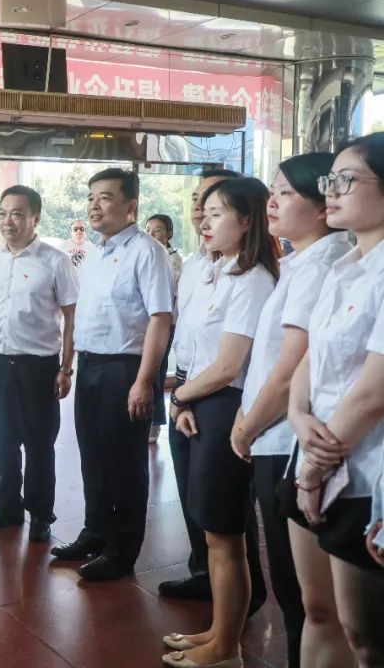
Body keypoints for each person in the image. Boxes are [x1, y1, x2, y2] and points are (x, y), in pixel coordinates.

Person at [228, 153, 348, 668]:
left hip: (284, 439)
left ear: (323, 206)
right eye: (272, 192)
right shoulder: (303, 261)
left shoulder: (320, 265)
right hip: (274, 433)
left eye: (286, 193)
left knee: (304, 594)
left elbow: (290, 367)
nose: (272, 203)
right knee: (296, 590)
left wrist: (247, 426)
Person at [161, 177, 278, 668]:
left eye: (216, 213)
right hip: (196, 400)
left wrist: (179, 396)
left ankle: (227, 648)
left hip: (226, 406)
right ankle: (216, 631)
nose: (204, 221)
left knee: (225, 533)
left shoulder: (253, 280)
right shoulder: (208, 270)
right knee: (211, 530)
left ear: (247, 220)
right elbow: (192, 350)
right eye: (203, 212)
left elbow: (230, 365)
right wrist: (184, 398)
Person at [287, 133, 384, 665]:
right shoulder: (345, 266)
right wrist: (297, 413)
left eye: (347, 180)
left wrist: (313, 471)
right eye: (331, 180)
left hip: (365, 475)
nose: (332, 190)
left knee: (366, 636)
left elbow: (372, 393)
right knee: (324, 612)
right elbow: (311, 356)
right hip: (317, 456)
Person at [50, 168, 174, 581]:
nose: (94, 206)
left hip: (125, 368)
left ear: (130, 206)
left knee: (124, 463)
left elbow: (160, 318)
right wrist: (69, 365)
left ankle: (122, 550)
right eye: (91, 198)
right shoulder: (95, 253)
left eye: (104, 197)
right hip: (90, 365)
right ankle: (95, 532)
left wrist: (144, 380)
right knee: (93, 456)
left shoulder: (147, 252)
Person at [0, 186, 77, 542]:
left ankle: (40, 514)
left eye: (17, 213)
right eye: (3, 213)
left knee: (38, 444)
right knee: (3, 440)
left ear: (36, 218)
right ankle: (7, 507)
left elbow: (71, 317)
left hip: (38, 367)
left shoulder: (55, 261)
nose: (8, 221)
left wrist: (66, 367)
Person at [145, 213, 183, 444]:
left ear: (169, 233)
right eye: (148, 230)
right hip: (146, 324)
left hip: (165, 324)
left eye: (157, 230)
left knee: (156, 372)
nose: (152, 234)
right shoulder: (147, 255)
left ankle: (155, 422)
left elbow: (169, 293)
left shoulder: (173, 259)